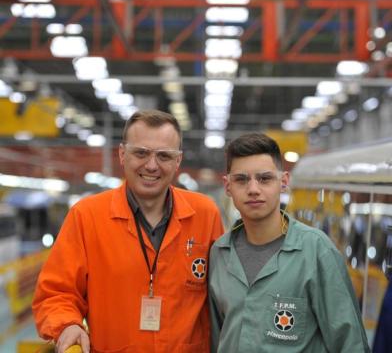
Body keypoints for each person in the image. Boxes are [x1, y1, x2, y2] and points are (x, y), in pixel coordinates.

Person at [33, 109, 224, 353]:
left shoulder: (205, 214)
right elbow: (56, 293)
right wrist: (67, 325)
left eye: (164, 156)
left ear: (178, 162)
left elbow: (226, 294)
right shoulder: (87, 216)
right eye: (141, 153)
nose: (152, 165)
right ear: (122, 155)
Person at [208, 132, 370, 352]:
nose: (253, 189)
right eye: (241, 179)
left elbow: (350, 344)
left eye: (264, 178)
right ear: (228, 186)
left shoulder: (316, 251)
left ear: (283, 182)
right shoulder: (220, 253)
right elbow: (217, 337)